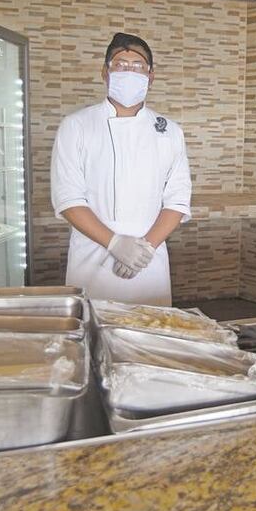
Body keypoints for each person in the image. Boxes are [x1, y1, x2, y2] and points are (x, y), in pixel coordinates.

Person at [51, 33, 192, 306]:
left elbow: (177, 199)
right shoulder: (76, 125)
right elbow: (68, 198)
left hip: (149, 259)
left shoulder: (170, 131)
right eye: (120, 64)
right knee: (93, 336)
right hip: (93, 257)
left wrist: (145, 248)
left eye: (138, 66)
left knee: (152, 334)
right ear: (105, 72)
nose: (129, 71)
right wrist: (115, 244)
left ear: (151, 77)